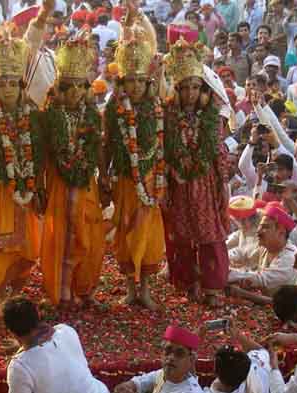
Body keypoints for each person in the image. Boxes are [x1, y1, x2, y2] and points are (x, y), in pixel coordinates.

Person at [0, 29, 43, 305]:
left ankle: (16, 292)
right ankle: (0, 294)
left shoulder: (33, 115)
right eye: (3, 85)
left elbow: (38, 154)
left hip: (26, 187)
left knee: (25, 243)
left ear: (21, 86)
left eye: (13, 84)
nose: (8, 89)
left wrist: (38, 187)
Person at [103, 6, 165, 310]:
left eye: (141, 80)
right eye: (131, 81)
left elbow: (163, 143)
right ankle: (130, 288)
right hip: (125, 179)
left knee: (149, 235)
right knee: (127, 232)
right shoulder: (113, 110)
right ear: (123, 83)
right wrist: (104, 176)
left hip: (152, 178)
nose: (137, 85)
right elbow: (107, 146)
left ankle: (146, 289)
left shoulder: (157, 108)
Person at [38, 34, 106, 307]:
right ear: (60, 89)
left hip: (86, 183)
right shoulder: (49, 116)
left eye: (81, 86)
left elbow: (98, 148)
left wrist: (105, 178)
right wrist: (40, 185)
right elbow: (43, 153)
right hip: (58, 184)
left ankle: (84, 289)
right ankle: (62, 292)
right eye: (70, 87)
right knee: (61, 236)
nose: (76, 92)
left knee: (88, 234)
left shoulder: (92, 116)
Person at [163, 38, 230, 306]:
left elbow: (217, 151)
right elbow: (165, 149)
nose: (191, 93)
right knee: (181, 234)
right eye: (185, 88)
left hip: (205, 181)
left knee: (209, 233)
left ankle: (213, 287)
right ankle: (188, 282)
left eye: (195, 87)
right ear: (176, 89)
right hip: (179, 181)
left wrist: (221, 183)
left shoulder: (210, 116)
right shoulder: (168, 115)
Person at [2, 297, 112, 393]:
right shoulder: (65, 331)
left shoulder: (20, 366)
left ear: (11, 332)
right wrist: (22, 347)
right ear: (38, 316)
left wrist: (21, 350)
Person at [113, 325, 205, 393]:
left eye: (179, 354)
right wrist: (126, 386)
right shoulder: (164, 374)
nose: (171, 357)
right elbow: (140, 382)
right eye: (168, 351)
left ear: (191, 360)